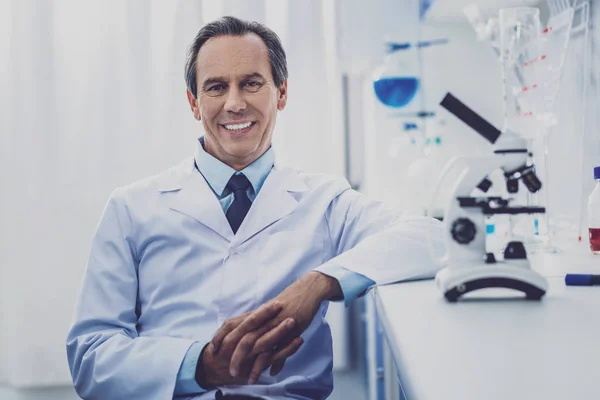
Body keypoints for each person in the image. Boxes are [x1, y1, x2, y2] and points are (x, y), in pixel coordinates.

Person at [66, 16, 445, 400]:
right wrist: (199, 366)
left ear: (281, 93)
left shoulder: (324, 200)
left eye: (251, 83)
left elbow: (433, 238)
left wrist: (317, 284)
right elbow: (90, 356)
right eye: (216, 87)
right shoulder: (132, 208)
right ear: (194, 103)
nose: (235, 103)